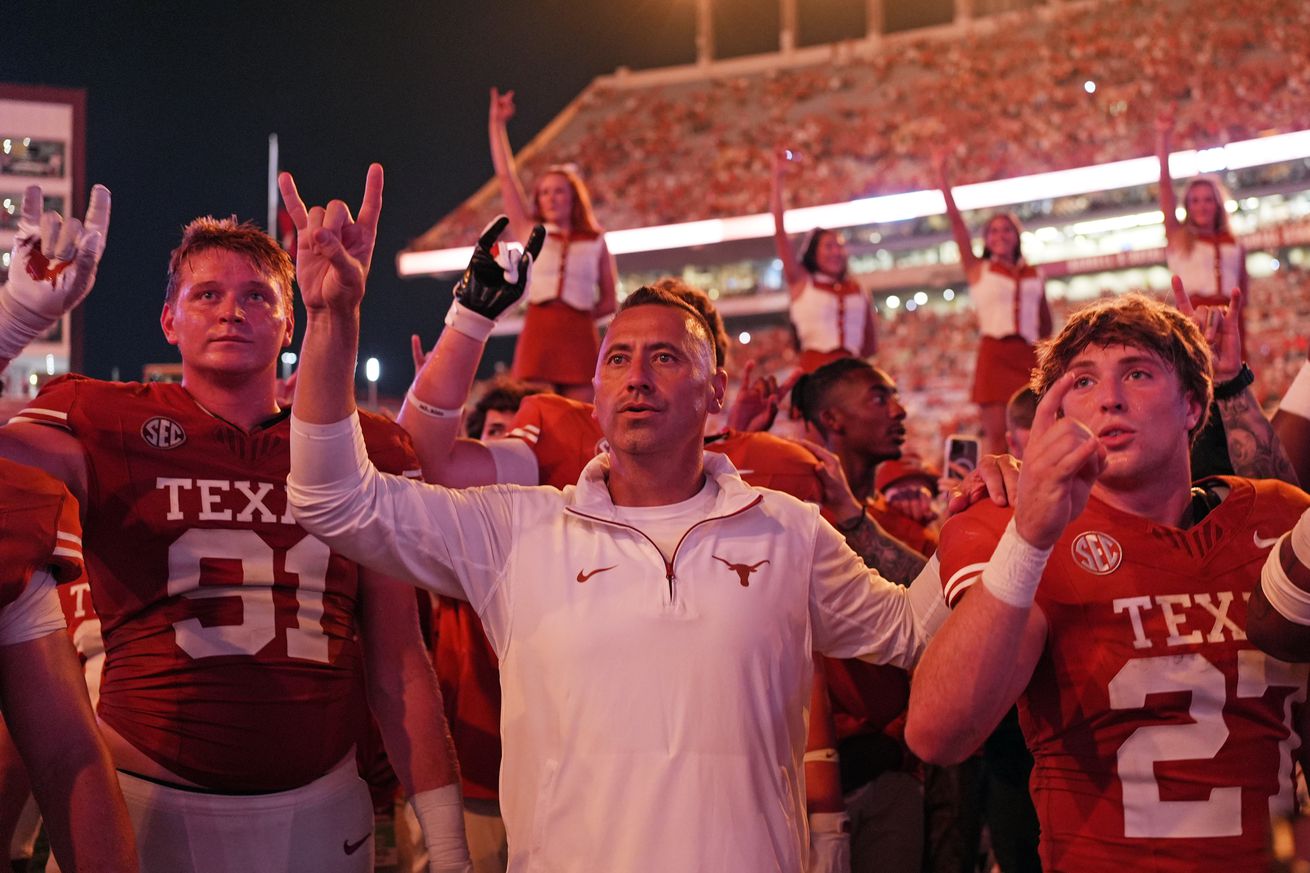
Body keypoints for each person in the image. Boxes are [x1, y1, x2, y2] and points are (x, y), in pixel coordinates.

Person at [284, 175, 950, 871]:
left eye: (665, 356)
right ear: (595, 389)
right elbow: (335, 500)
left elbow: (912, 630)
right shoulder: (517, 527)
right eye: (619, 359)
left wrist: (1000, 522)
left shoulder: (786, 526)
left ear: (716, 388)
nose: (637, 377)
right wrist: (333, 325)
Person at [0, 179, 469, 873]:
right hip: (142, 799)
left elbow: (400, 663)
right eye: (206, 294)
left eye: (257, 295)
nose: (232, 312)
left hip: (319, 807)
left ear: (289, 323)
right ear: (169, 320)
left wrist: (448, 842)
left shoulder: (364, 445)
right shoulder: (105, 418)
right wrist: (11, 324)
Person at [905, 293, 1310, 871]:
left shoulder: (1277, 518)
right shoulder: (1011, 525)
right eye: (1084, 383)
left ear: (1194, 405)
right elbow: (937, 736)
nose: (1111, 399)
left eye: (1138, 373)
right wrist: (1030, 539)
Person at [488, 87, 617, 400]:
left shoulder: (596, 239)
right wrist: (496, 125)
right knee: (537, 414)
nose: (551, 197)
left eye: (558, 191)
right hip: (539, 334)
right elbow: (506, 178)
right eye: (544, 192)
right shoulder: (530, 231)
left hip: (580, 336)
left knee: (582, 419)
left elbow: (610, 300)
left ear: (573, 196)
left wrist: (581, 316)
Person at [934, 150, 1053, 456]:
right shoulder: (979, 270)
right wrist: (943, 181)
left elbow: (1045, 323)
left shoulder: (1033, 273)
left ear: (1017, 235)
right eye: (994, 231)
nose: (1001, 235)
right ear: (985, 240)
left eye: (1007, 229)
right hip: (994, 355)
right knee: (998, 438)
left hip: (1027, 354)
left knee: (1038, 431)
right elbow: (958, 228)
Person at [771, 148, 877, 373]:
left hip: (853, 373)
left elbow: (869, 346)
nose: (836, 252)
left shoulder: (859, 290)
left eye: (839, 246)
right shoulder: (802, 281)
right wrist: (777, 178)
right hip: (814, 374)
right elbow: (780, 232)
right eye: (828, 246)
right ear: (813, 252)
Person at [1156, 113, 1248, 318]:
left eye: (1208, 200)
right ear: (1187, 206)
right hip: (1192, 319)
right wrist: (1163, 137)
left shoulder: (1234, 242)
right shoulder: (1178, 236)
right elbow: (1164, 187)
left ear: (1218, 204)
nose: (1202, 206)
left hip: (1229, 319)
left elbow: (1244, 295)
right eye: (1195, 201)